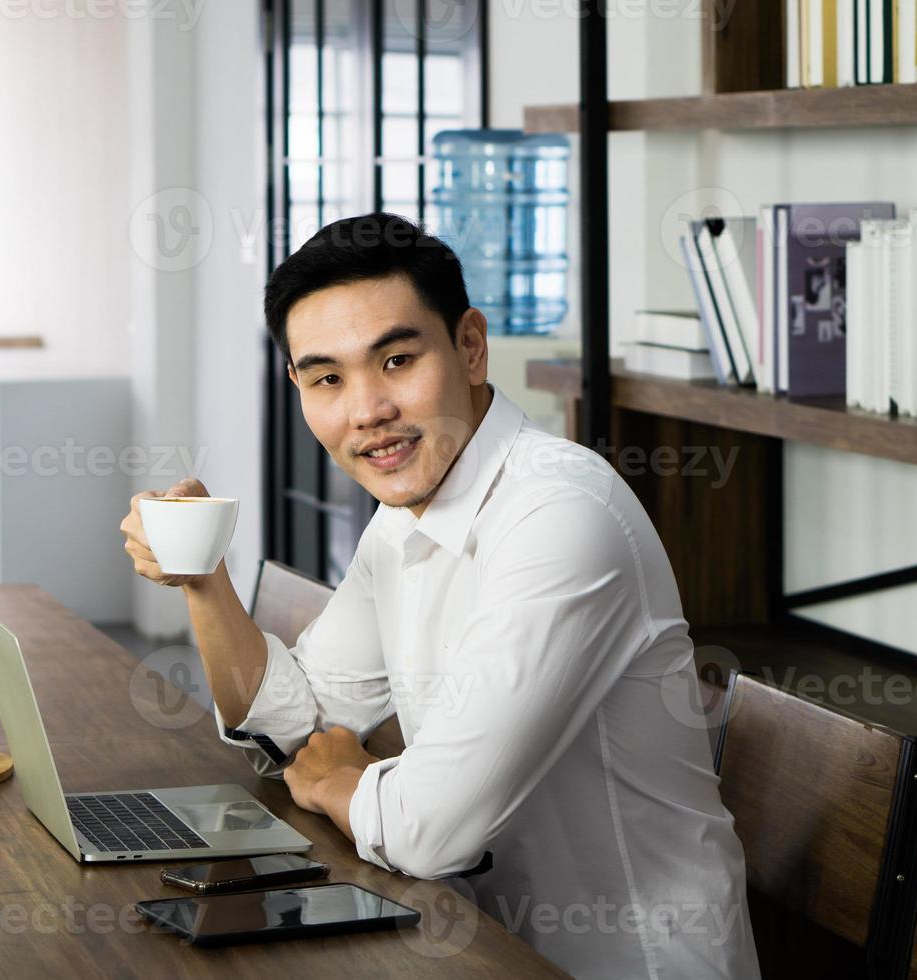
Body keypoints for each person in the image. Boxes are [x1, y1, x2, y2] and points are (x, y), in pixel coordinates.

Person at [119, 212, 759, 978]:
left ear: (470, 346)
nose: (366, 411)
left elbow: (430, 831)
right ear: (298, 388)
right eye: (328, 378)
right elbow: (300, 722)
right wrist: (202, 579)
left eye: (395, 361)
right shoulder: (404, 519)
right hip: (475, 944)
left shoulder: (560, 515)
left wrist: (339, 780)